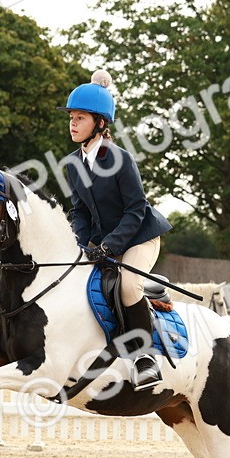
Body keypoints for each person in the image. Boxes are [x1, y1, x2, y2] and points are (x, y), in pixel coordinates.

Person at [60, 69, 172, 391]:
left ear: (100, 123)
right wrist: (81, 244)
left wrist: (109, 246)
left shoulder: (120, 159)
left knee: (126, 285)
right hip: (103, 240)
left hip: (140, 236)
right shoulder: (72, 163)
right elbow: (79, 210)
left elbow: (136, 209)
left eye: (80, 117)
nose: (72, 123)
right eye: (71, 117)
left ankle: (144, 358)